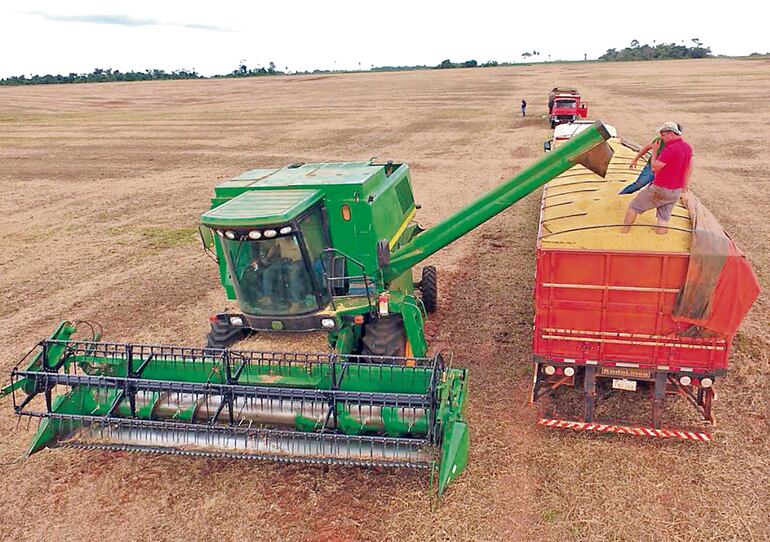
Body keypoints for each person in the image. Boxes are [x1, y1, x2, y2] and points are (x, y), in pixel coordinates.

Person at [620, 122, 693, 235]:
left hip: (660, 188)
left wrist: (654, 151)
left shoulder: (670, 150)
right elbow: (689, 166)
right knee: (663, 218)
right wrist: (685, 184)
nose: (661, 138)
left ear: (671, 133)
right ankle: (660, 236)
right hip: (675, 191)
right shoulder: (687, 147)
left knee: (634, 206)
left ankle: (624, 232)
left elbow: (654, 167)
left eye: (663, 135)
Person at [620, 123, 682, 194]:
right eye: (661, 134)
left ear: (671, 134)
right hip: (652, 168)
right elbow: (646, 148)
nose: (661, 136)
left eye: (663, 134)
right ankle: (621, 195)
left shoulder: (678, 147)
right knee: (638, 185)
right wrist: (635, 160)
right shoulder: (659, 141)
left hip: (663, 171)